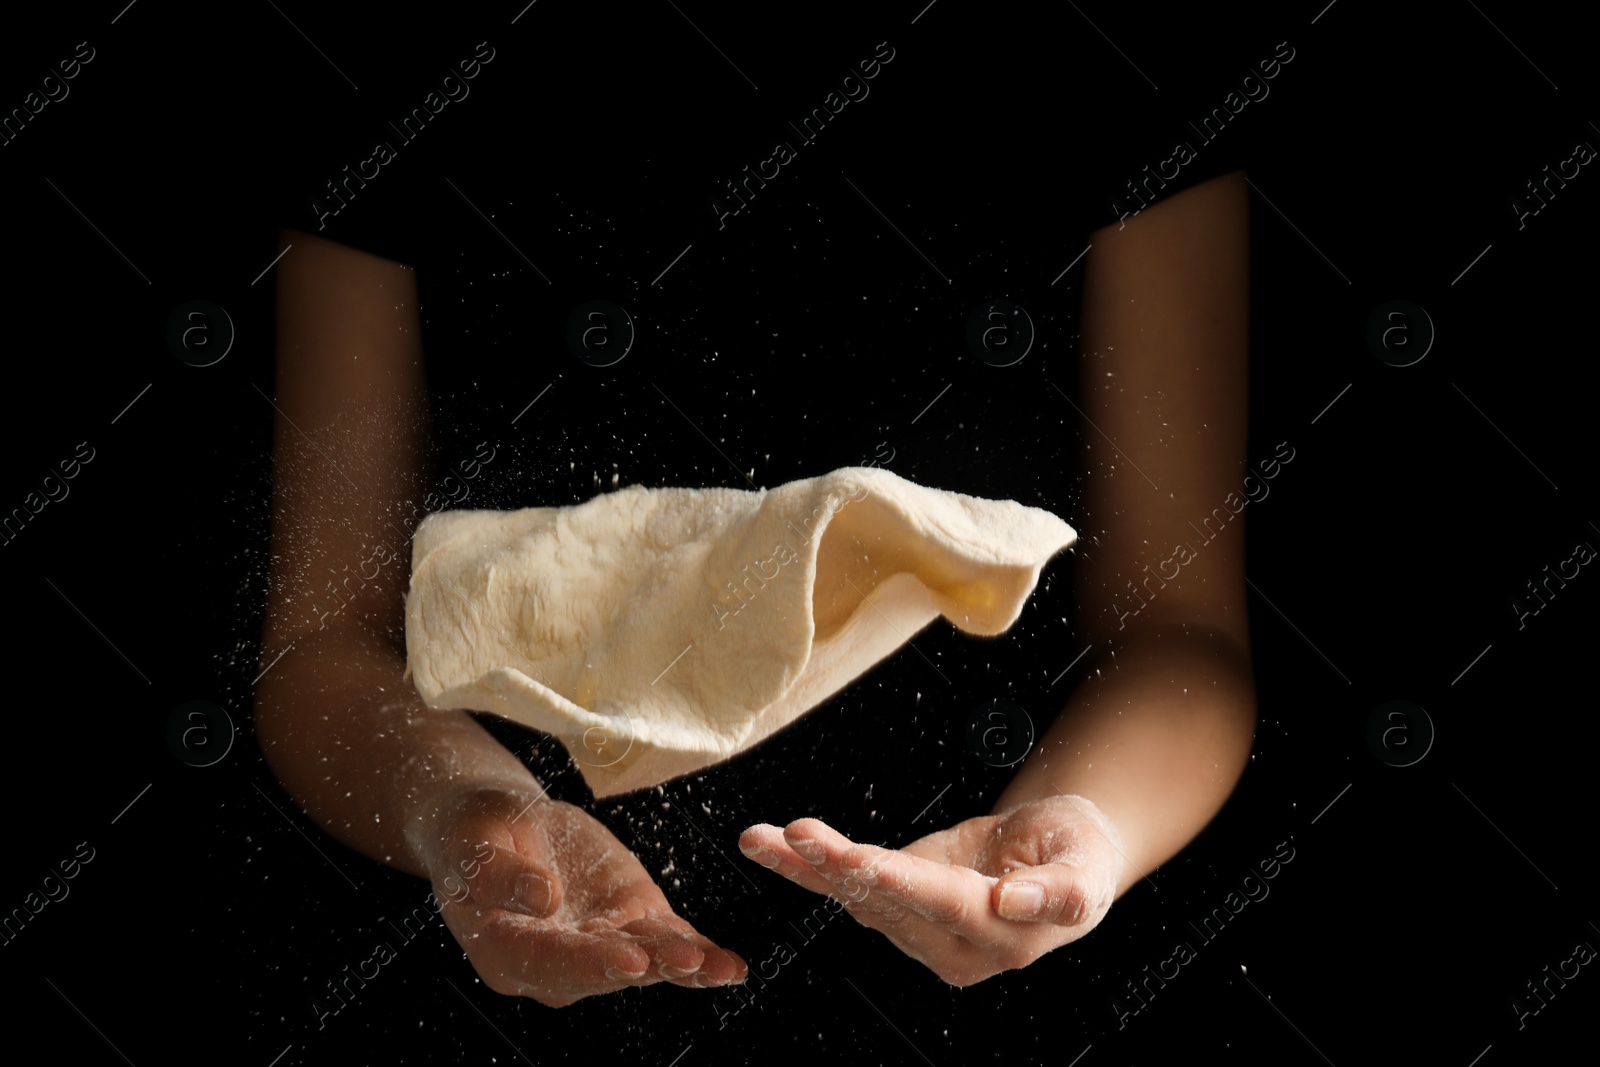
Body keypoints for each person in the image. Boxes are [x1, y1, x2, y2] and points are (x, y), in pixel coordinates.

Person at [256, 1, 1259, 1011]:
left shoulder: (1122, 55)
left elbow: (1180, 632)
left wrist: (1083, 828)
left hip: (1009, 997)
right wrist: (468, 808)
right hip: (507, 978)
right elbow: (323, 640)